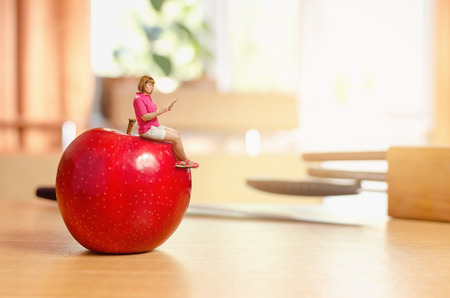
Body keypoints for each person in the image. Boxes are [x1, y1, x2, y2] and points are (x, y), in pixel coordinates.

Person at [133, 75, 199, 168]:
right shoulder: (138, 99)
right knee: (176, 138)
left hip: (154, 126)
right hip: (147, 130)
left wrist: (165, 109)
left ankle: (178, 161)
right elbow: (144, 117)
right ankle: (185, 160)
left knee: (176, 133)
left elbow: (152, 112)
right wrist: (161, 111)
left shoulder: (147, 97)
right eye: (149, 85)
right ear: (143, 84)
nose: (152, 87)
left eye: (152, 85)